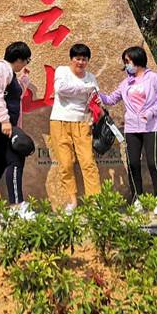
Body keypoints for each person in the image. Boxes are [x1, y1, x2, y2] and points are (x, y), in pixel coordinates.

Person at [99, 46, 157, 215]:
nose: (126, 65)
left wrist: (151, 113)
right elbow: (110, 99)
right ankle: (137, 198)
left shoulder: (153, 78)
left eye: (128, 61)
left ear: (138, 60)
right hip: (131, 128)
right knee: (133, 164)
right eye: (125, 62)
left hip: (151, 127)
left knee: (153, 163)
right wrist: (95, 92)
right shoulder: (125, 83)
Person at [0, 41, 36, 219]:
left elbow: (11, 95)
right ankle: (17, 207)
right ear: (19, 59)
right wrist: (5, 121)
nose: (26, 64)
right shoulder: (1, 69)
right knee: (16, 161)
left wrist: (23, 80)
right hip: (1, 127)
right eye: (27, 60)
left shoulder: (7, 71)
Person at [49, 43, 101, 213]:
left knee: (88, 162)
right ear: (71, 59)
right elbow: (61, 89)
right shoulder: (62, 71)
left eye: (84, 59)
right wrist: (85, 89)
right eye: (77, 58)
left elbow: (95, 96)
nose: (80, 62)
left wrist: (86, 91)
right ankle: (72, 201)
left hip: (82, 122)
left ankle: (95, 202)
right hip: (60, 121)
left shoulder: (91, 77)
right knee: (65, 163)